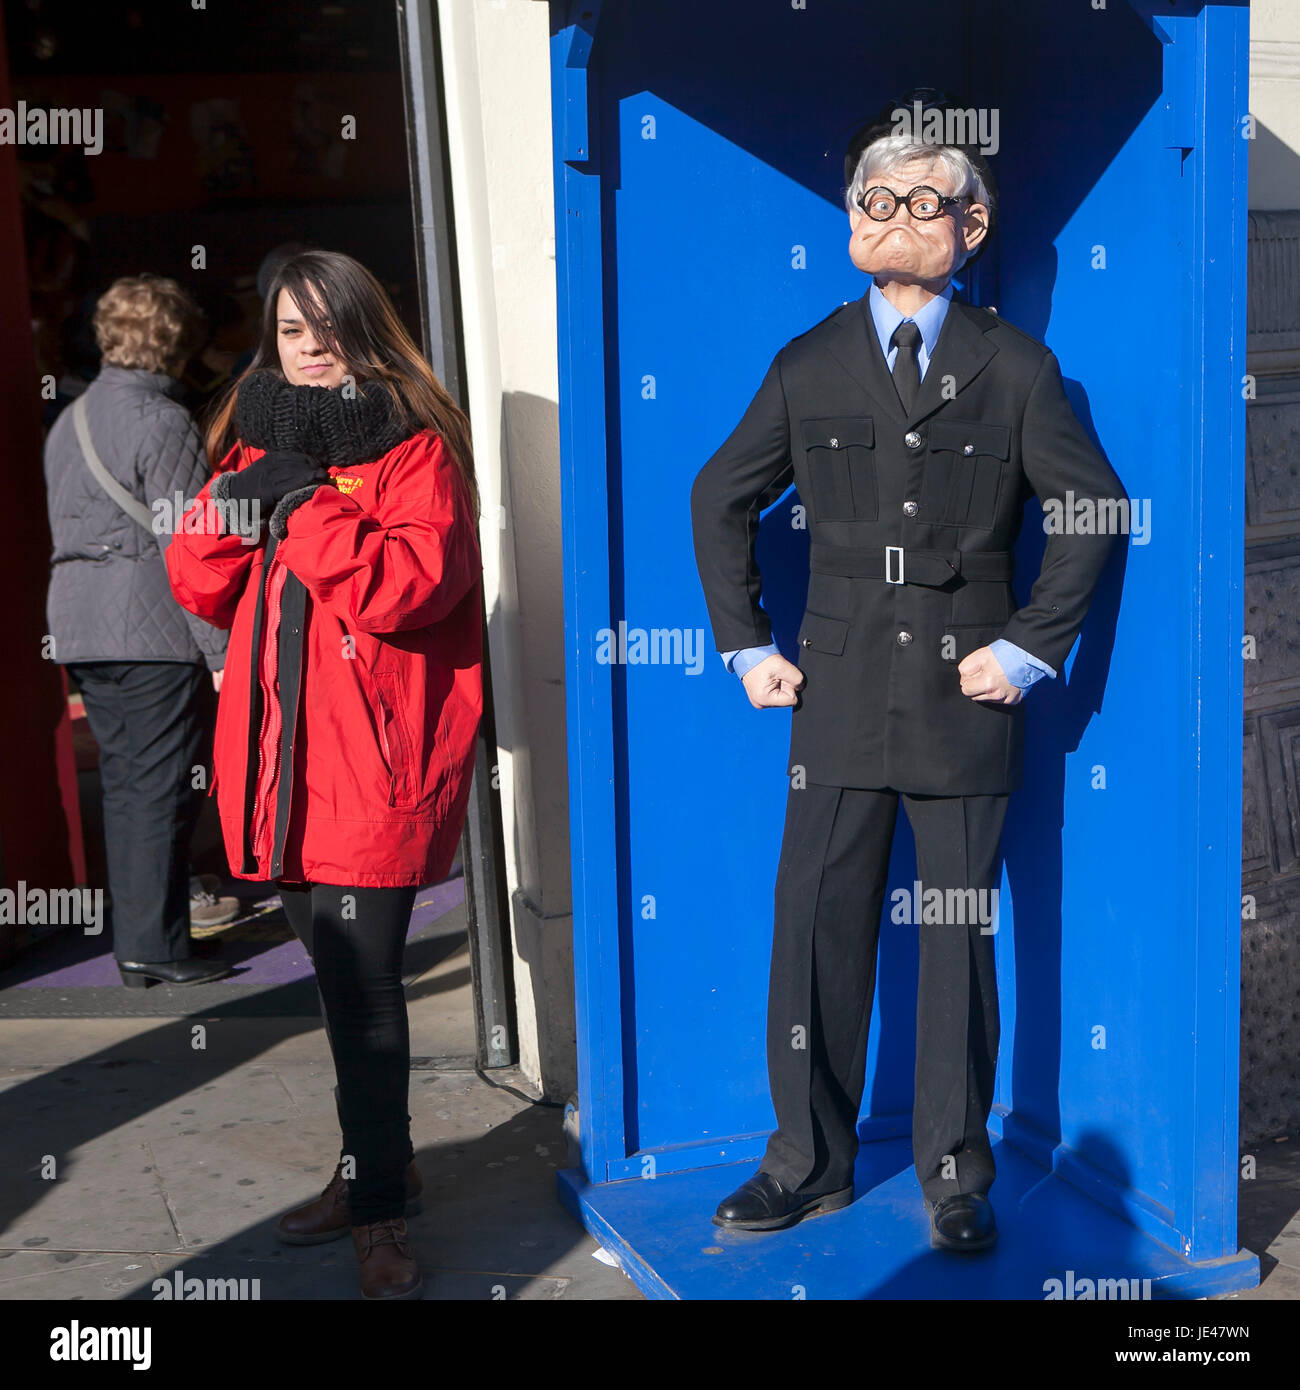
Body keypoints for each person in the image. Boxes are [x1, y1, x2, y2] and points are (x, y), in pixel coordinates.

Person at [690, 110, 1122, 1252]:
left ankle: (954, 1171)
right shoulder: (810, 358)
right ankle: (806, 1162)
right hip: (831, 691)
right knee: (814, 926)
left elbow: (1090, 515)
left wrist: (1028, 646)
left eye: (919, 201)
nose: (888, 218)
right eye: (870, 201)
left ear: (970, 227)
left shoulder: (1016, 367)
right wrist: (747, 643)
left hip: (964, 696)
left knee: (954, 938)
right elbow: (717, 494)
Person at [165, 249, 483, 1300]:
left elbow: (405, 588)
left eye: (328, 325)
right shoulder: (263, 436)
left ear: (363, 325)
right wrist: (238, 498)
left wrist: (303, 506)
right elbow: (197, 584)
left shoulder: (413, 448)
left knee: (366, 995)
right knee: (342, 994)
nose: (311, 347)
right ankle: (368, 1175)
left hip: (372, 769)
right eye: (292, 331)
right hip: (277, 768)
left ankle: (381, 1210)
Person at [43, 273, 234, 987]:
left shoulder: (71, 420)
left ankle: (141, 943)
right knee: (162, 789)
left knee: (128, 785)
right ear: (179, 341)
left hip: (81, 622)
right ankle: (157, 948)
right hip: (151, 630)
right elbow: (192, 546)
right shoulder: (164, 422)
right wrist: (217, 650)